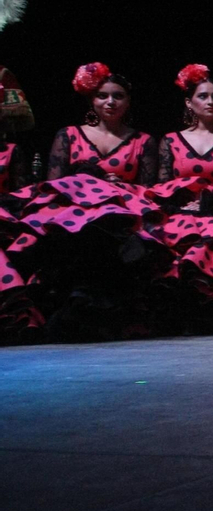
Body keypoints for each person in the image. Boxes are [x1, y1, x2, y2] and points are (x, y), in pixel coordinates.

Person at [2, 63, 161, 339]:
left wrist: (117, 187)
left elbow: (148, 190)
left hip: (121, 213)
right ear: (91, 100)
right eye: (102, 95)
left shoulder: (143, 141)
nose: (110, 101)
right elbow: (50, 186)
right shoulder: (69, 135)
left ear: (129, 101)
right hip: (73, 215)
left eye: (118, 95)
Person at [144, 64, 213, 307]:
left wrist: (208, 202)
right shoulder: (171, 140)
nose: (210, 102)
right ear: (189, 102)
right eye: (203, 96)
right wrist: (184, 204)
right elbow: (162, 186)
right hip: (177, 213)